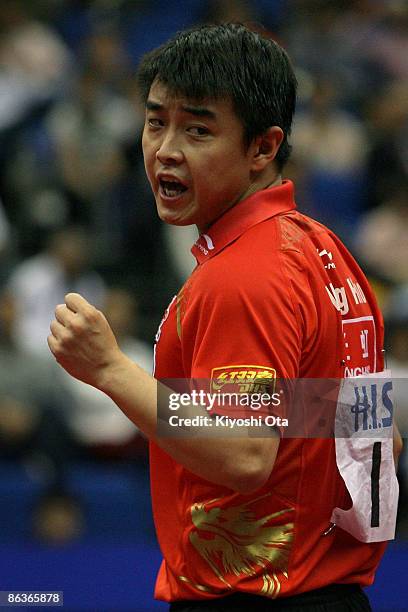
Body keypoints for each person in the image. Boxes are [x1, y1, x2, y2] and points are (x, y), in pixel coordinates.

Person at [48, 24, 402, 611]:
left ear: (263, 148)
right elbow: (380, 437)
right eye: (156, 121)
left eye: (198, 130)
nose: (165, 149)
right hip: (332, 594)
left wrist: (111, 369)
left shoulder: (244, 274)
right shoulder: (327, 251)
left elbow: (244, 453)